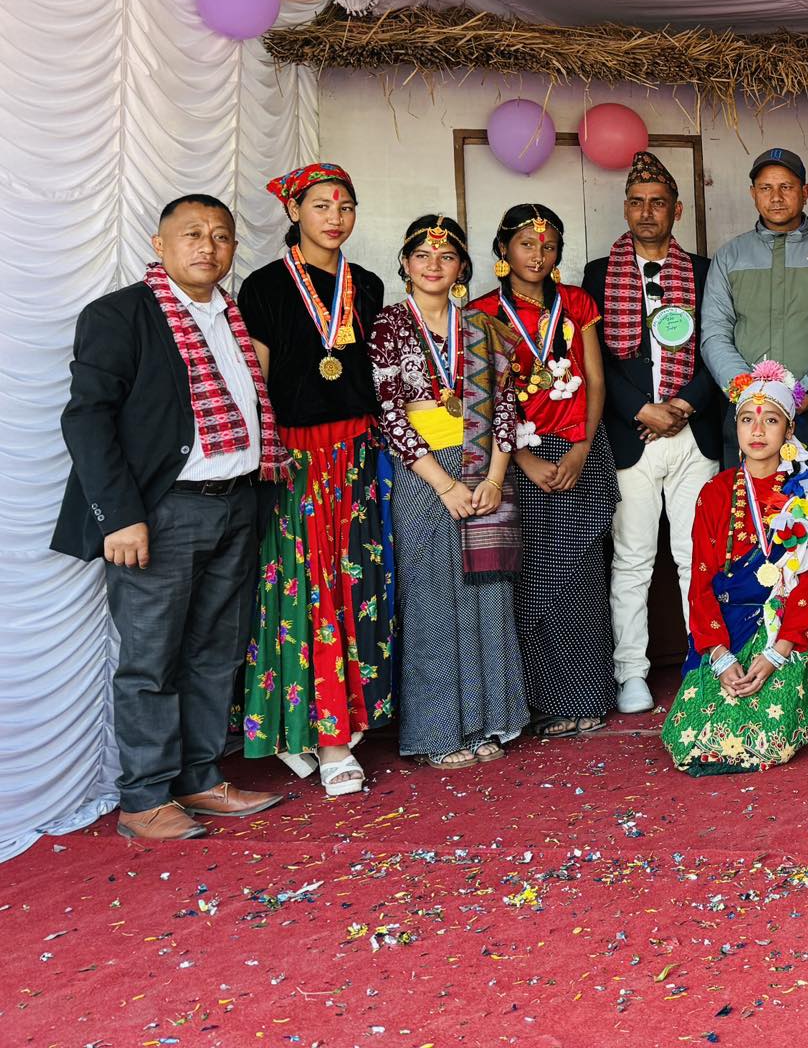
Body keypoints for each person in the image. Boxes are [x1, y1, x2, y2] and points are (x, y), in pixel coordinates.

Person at [54, 195, 285, 839]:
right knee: (151, 660)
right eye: (192, 234)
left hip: (236, 501)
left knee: (216, 652)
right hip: (161, 512)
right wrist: (119, 516)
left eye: (221, 236)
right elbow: (87, 419)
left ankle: (200, 779)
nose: (208, 246)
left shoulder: (232, 317)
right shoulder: (120, 315)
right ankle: (144, 799)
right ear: (160, 245)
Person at [235, 161, 391, 796]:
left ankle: (340, 723)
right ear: (294, 211)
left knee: (355, 586)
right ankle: (321, 735)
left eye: (345, 206)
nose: (335, 217)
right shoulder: (265, 287)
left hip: (356, 455)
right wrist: (269, 458)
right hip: (296, 459)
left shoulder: (368, 284)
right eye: (322, 205)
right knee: (307, 590)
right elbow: (256, 384)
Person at [369, 217, 529, 766]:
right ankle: (438, 733)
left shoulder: (483, 325)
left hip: (485, 465)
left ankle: (489, 722)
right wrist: (443, 484)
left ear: (462, 267)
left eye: (446, 256)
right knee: (432, 598)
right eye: (421, 255)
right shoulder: (390, 324)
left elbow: (506, 405)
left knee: (488, 595)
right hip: (423, 473)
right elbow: (389, 412)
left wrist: (494, 478)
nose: (433, 265)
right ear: (405, 263)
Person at [582, 151, 722, 717]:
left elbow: (719, 348)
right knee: (633, 558)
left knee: (697, 556)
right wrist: (642, 408)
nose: (646, 212)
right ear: (625, 209)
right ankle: (631, 673)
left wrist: (685, 404)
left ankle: (704, 661)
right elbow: (596, 361)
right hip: (631, 434)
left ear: (676, 211)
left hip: (694, 434)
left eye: (658, 203)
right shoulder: (598, 274)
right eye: (637, 203)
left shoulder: (707, 272)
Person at [472, 204, 619, 737]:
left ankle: (586, 696)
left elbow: (595, 382)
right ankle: (540, 700)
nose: (538, 255)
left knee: (582, 579)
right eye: (526, 245)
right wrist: (524, 459)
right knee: (531, 581)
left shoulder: (577, 303)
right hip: (516, 457)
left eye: (549, 246)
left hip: (580, 451)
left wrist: (580, 448)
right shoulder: (482, 311)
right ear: (503, 249)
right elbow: (484, 397)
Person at [661, 361, 808, 774]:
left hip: (783, 628)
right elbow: (701, 580)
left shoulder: (807, 494)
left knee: (768, 738)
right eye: (747, 419)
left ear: (790, 430)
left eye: (771, 420)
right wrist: (719, 654)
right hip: (724, 628)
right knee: (688, 738)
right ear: (736, 427)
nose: (758, 430)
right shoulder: (714, 492)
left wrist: (778, 651)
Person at [700, 148, 808, 479]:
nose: (776, 197)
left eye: (786, 187)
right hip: (748, 417)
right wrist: (748, 393)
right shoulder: (729, 256)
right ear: (753, 194)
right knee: (749, 509)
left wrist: (807, 392)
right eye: (765, 188)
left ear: (805, 192)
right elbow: (714, 334)